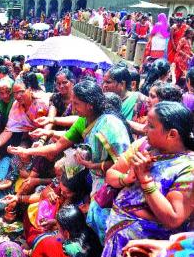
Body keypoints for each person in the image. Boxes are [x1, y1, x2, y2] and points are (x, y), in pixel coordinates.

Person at [8, 80, 131, 243]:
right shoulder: (83, 120)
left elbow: (124, 164)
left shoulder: (110, 125)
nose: (73, 108)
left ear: (90, 105)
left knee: (105, 228)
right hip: (95, 182)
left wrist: (95, 166)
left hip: (113, 187)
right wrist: (26, 151)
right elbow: (56, 147)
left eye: (76, 103)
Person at [100, 101, 193, 257]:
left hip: (145, 254)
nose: (143, 129)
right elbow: (111, 175)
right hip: (117, 240)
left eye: (150, 126)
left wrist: (145, 180)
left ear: (172, 134)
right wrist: (126, 178)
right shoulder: (144, 146)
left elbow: (173, 218)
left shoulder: (188, 167)